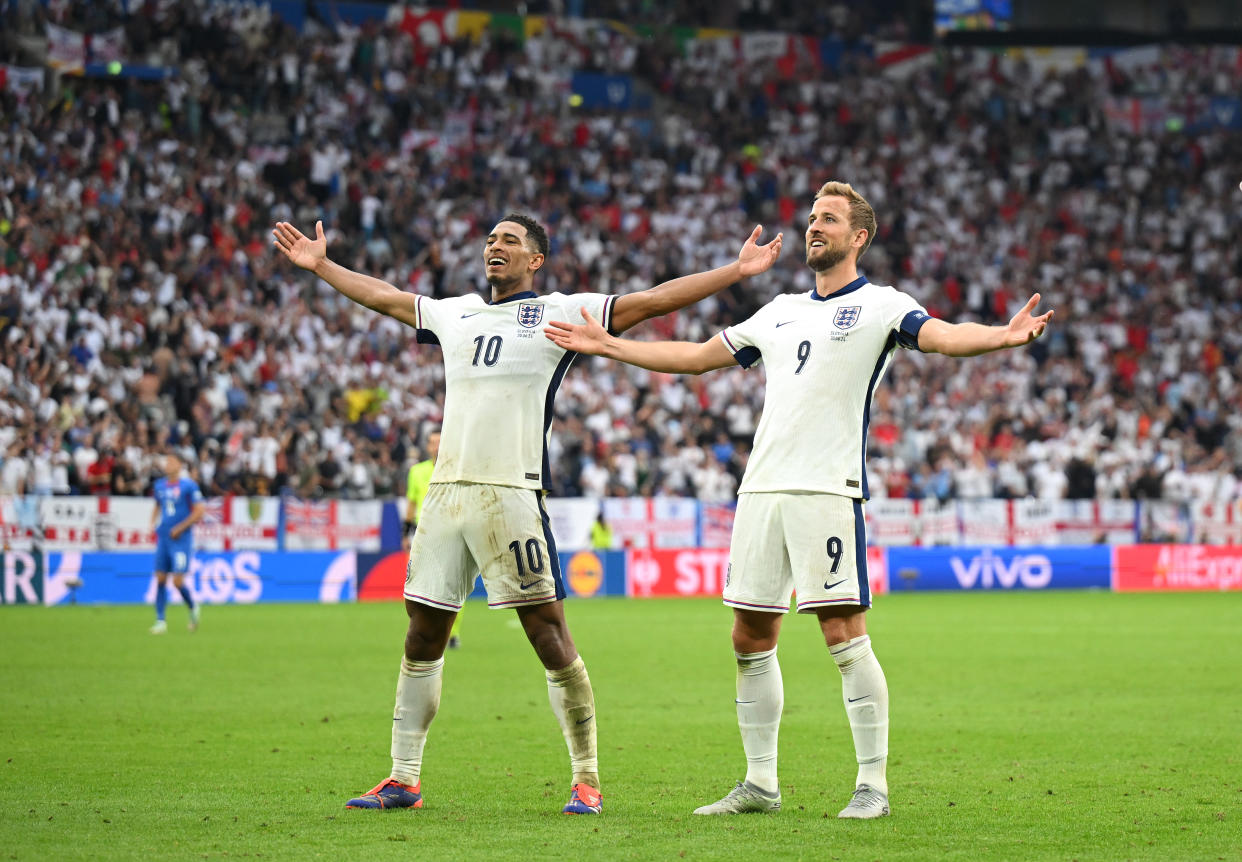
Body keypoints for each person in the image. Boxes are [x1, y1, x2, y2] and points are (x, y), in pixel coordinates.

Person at [545, 180, 1053, 819]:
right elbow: (700, 356)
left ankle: (873, 785)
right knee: (749, 634)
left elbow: (944, 336)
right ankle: (760, 784)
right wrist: (611, 345)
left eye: (830, 219)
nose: (815, 227)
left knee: (843, 632)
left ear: (857, 237)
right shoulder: (779, 310)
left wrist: (1002, 338)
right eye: (813, 217)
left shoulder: (883, 306)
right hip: (760, 488)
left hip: (825, 488)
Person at [273, 213, 782, 814]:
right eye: (490, 238)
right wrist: (322, 266)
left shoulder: (561, 311)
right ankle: (403, 777)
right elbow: (385, 297)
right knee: (422, 634)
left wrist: (736, 270)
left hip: (512, 494)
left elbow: (648, 302)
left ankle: (587, 779)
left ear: (535, 259)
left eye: (509, 241)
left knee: (547, 633)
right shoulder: (456, 312)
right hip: (446, 496)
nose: (495, 246)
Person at [403, 429, 461, 649]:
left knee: (454, 584)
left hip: (450, 530)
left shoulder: (455, 468)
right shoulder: (416, 472)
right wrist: (405, 532)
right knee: (420, 583)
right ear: (427, 446)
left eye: (440, 442)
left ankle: (452, 632)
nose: (436, 446)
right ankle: (421, 626)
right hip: (423, 531)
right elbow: (411, 502)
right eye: (432, 442)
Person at [149, 451, 207, 634]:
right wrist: (152, 523)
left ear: (180, 465)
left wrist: (180, 528)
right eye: (167, 461)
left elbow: (199, 511)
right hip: (164, 537)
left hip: (181, 539)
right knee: (160, 577)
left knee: (178, 581)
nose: (168, 465)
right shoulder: (159, 486)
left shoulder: (189, 486)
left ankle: (192, 607)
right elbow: (158, 505)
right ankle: (160, 621)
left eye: (172, 462)